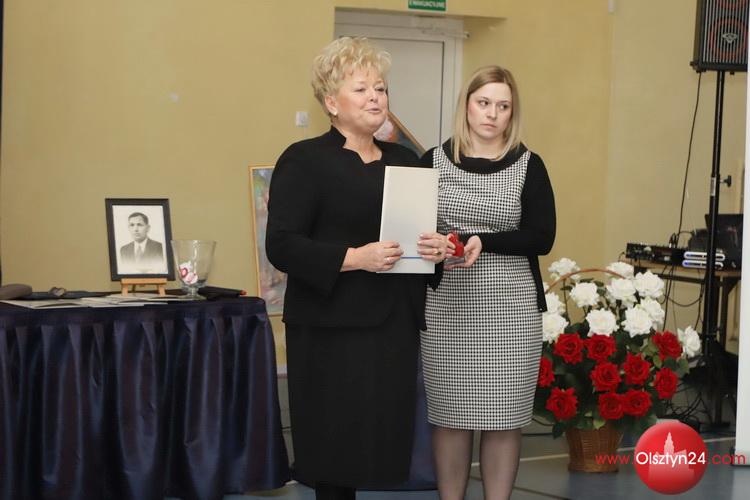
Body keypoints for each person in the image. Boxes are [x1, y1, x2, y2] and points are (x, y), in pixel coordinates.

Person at [265, 37, 450, 500]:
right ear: (331, 102)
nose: (375, 98)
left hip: (393, 327)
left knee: (379, 446)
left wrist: (435, 249)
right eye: (361, 89)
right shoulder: (304, 160)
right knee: (334, 448)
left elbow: (420, 239)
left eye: (381, 89)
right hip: (330, 330)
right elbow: (282, 245)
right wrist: (355, 258)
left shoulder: (406, 161)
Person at [420, 65, 556, 500]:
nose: (492, 114)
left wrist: (486, 241)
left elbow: (542, 236)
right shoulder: (432, 160)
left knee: (504, 420)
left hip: (511, 308)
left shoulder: (530, 165)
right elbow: (411, 230)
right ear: (466, 105)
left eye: (503, 106)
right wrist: (436, 246)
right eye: (484, 103)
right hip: (447, 307)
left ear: (512, 113)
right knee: (450, 418)